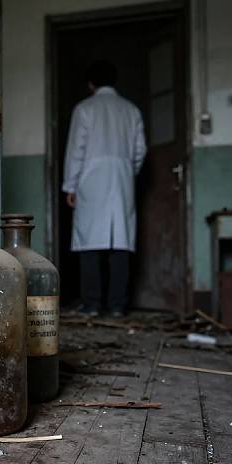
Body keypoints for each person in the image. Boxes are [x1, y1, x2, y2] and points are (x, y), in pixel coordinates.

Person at [62, 60, 147, 317]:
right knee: (120, 243)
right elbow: (140, 150)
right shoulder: (131, 110)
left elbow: (77, 149)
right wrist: (126, 173)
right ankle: (118, 305)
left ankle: (92, 304)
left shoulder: (85, 108)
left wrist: (70, 185)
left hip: (91, 179)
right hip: (121, 179)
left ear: (91, 84)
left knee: (90, 241)